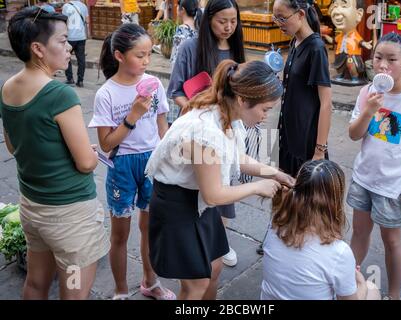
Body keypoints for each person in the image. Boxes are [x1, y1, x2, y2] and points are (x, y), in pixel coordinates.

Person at [145, 59, 295, 300]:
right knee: (195, 285)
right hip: (178, 204)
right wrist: (257, 186)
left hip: (197, 201)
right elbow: (213, 195)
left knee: (214, 266)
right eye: (265, 109)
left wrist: (274, 173)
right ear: (242, 100)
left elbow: (233, 156)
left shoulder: (227, 113)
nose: (266, 116)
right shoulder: (203, 132)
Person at [0, 7, 109, 299]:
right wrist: (87, 152)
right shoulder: (60, 94)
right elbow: (86, 162)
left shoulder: (8, 88)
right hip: (70, 220)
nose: (69, 46)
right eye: (62, 41)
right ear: (38, 48)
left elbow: (14, 146)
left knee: (35, 284)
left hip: (33, 210)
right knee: (73, 290)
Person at [347, 33, 401, 300]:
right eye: (378, 57)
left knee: (392, 241)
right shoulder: (367, 92)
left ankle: (394, 295)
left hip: (394, 187)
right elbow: (354, 134)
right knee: (359, 233)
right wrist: (368, 109)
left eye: (392, 59)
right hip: (364, 178)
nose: (383, 65)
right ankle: (348, 284)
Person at [89, 23, 175, 300]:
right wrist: (133, 116)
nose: (146, 61)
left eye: (149, 54)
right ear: (119, 55)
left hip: (152, 162)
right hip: (122, 166)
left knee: (150, 227)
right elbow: (106, 144)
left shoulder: (155, 86)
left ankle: (151, 282)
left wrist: (169, 158)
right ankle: (121, 289)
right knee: (120, 234)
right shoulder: (107, 94)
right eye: (140, 55)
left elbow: (163, 129)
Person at [167, 0, 246, 267]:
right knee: (200, 186)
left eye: (233, 21)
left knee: (225, 185)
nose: (228, 27)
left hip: (229, 129)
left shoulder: (236, 48)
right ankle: (195, 240)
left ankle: (220, 241)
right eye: (222, 21)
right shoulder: (191, 48)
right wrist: (200, 109)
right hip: (199, 132)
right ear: (208, 18)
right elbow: (176, 91)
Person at [261, 160, 381, 300]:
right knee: (372, 289)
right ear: (334, 201)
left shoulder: (275, 224)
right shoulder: (339, 252)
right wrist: (361, 285)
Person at [272, 0, 332, 178]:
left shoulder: (316, 48)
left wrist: (320, 151)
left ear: (300, 15)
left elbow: (326, 103)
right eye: (276, 18)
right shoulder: (294, 42)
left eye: (282, 18)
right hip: (288, 135)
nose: (279, 24)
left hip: (305, 140)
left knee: (304, 201)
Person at [328, 0, 373, 83]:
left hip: (352, 55)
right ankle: (342, 75)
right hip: (341, 54)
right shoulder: (340, 36)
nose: (337, 11)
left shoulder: (354, 35)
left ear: (358, 14)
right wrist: (324, 36)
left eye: (344, 6)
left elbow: (360, 41)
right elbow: (332, 40)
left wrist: (365, 44)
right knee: (340, 66)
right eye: (335, 6)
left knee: (351, 65)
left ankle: (354, 78)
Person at [62, 0, 89, 88]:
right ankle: (80, 81)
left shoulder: (66, 6)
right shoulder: (84, 6)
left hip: (70, 37)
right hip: (81, 36)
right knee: (81, 59)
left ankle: (70, 79)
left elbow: (64, 22)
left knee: (66, 57)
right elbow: (87, 21)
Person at [169, 0, 202, 69]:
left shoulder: (182, 30)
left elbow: (176, 57)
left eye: (178, 6)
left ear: (183, 10)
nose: (176, 7)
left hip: (184, 71)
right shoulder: (199, 27)